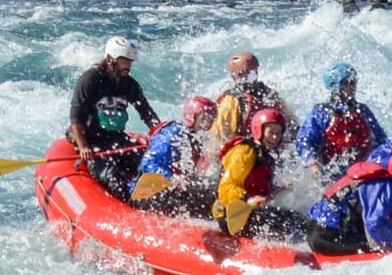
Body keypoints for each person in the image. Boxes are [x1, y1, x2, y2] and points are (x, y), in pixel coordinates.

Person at [67, 35, 161, 199]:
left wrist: (161, 132)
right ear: (111, 58)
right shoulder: (90, 79)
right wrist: (83, 147)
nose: (129, 66)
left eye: (130, 61)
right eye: (124, 60)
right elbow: (76, 116)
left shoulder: (129, 84)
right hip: (92, 141)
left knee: (150, 166)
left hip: (116, 138)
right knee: (114, 180)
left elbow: (147, 113)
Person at [305, 139, 392, 256]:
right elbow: (375, 224)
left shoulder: (383, 182)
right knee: (376, 246)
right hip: (326, 237)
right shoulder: (385, 186)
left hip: (317, 230)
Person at [211, 106, 309, 241]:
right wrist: (247, 199)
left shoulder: (265, 156)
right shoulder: (245, 152)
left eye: (278, 133)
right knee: (287, 226)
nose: (275, 137)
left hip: (251, 212)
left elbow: (261, 193)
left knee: (298, 219)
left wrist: (279, 189)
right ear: (259, 130)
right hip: (230, 216)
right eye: (271, 132)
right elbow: (226, 187)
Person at [291, 61, 388, 185]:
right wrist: (312, 163)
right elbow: (304, 140)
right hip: (331, 174)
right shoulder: (321, 112)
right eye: (346, 83)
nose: (351, 87)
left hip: (362, 171)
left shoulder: (363, 110)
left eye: (353, 82)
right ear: (334, 86)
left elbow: (381, 140)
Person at [130, 95, 223, 214]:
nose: (207, 123)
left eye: (211, 119)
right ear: (192, 117)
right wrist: (172, 178)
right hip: (145, 193)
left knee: (209, 192)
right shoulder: (173, 133)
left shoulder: (197, 138)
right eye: (203, 118)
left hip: (171, 188)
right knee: (196, 201)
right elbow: (148, 164)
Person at [209, 51, 287, 142]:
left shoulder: (269, 94)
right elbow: (219, 136)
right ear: (238, 75)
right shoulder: (231, 101)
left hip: (268, 144)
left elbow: (288, 120)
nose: (252, 76)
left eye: (254, 72)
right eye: (249, 73)